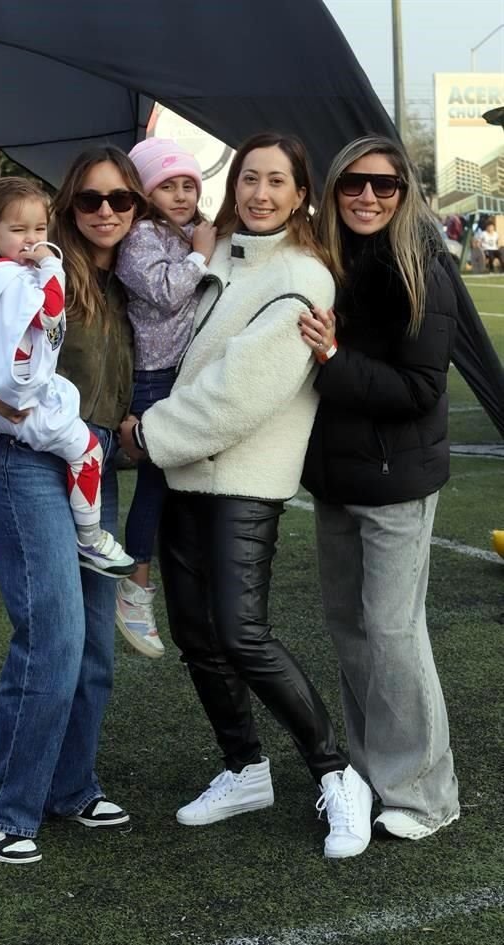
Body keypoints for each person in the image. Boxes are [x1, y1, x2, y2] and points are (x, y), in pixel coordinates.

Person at [119, 133, 373, 859]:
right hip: (184, 475)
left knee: (242, 634)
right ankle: (244, 767)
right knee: (197, 636)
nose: (260, 193)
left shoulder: (302, 275)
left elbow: (240, 393)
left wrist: (149, 436)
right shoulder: (222, 254)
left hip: (238, 481)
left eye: (276, 182)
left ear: (300, 196)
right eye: (249, 179)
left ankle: (335, 770)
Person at [0, 146, 148, 864]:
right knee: (54, 633)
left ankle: (68, 783)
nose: (107, 212)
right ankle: (1, 800)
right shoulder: (24, 266)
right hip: (26, 454)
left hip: (94, 463)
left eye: (122, 200)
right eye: (91, 200)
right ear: (68, 207)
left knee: (92, 645)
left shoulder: (131, 278)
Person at [299, 134, 460, 842]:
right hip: (334, 479)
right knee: (351, 632)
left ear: (405, 194)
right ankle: (366, 774)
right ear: (333, 190)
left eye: (384, 185)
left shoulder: (424, 267)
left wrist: (333, 359)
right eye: (352, 184)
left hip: (398, 480)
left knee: (393, 633)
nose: (367, 196)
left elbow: (419, 389)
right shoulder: (321, 263)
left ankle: (428, 793)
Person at [0, 177, 134, 578]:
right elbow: (49, 313)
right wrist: (51, 266)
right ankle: (90, 539)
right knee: (86, 451)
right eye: (18, 230)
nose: (30, 240)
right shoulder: (17, 277)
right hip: (25, 402)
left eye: (39, 230)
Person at [114, 138, 217, 658]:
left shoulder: (182, 232)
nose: (180, 195)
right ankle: (134, 586)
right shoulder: (140, 237)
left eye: (188, 185)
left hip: (183, 376)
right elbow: (167, 291)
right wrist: (201, 252)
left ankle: (182, 583)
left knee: (180, 487)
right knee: (153, 488)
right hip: (153, 380)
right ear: (145, 191)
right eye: (167, 185)